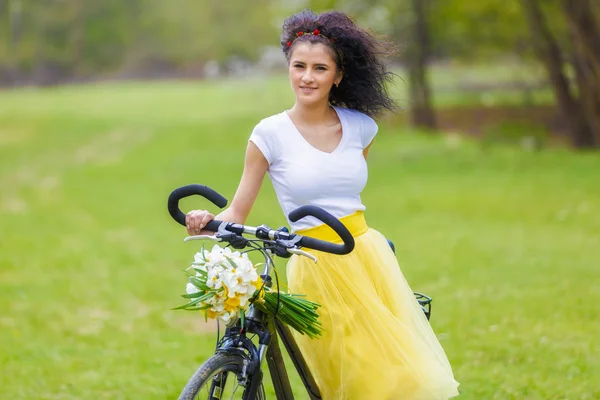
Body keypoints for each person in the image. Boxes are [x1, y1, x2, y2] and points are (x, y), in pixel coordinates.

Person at [185, 9, 460, 399]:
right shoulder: (269, 134)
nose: (307, 77)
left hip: (365, 255)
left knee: (397, 375)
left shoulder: (362, 128)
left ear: (338, 75)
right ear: (288, 69)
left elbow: (345, 193)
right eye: (299, 66)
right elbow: (237, 212)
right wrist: (208, 219)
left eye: (319, 68)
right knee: (351, 375)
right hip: (314, 263)